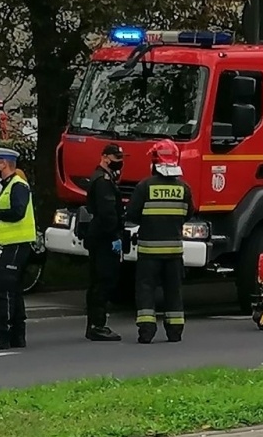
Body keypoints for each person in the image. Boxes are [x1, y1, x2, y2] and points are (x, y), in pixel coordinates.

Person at [129, 139, 195, 344]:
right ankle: (174, 332)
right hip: (174, 252)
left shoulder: (144, 186)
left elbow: (132, 215)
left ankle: (146, 332)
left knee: (146, 290)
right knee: (173, 290)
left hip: (149, 252)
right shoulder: (184, 188)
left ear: (155, 161)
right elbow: (189, 214)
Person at [0, 146, 35, 351]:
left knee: (5, 292)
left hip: (15, 245)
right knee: (13, 291)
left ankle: (3, 335)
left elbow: (18, 212)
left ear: (3, 163)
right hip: (10, 244)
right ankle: (17, 336)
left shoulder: (18, 185)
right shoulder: (6, 185)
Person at [82, 144, 126, 342]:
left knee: (98, 281)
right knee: (103, 280)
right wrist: (115, 236)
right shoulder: (103, 181)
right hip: (104, 238)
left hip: (98, 236)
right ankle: (97, 325)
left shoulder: (102, 178)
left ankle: (94, 324)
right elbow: (108, 213)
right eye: (115, 158)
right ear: (105, 157)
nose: (119, 162)